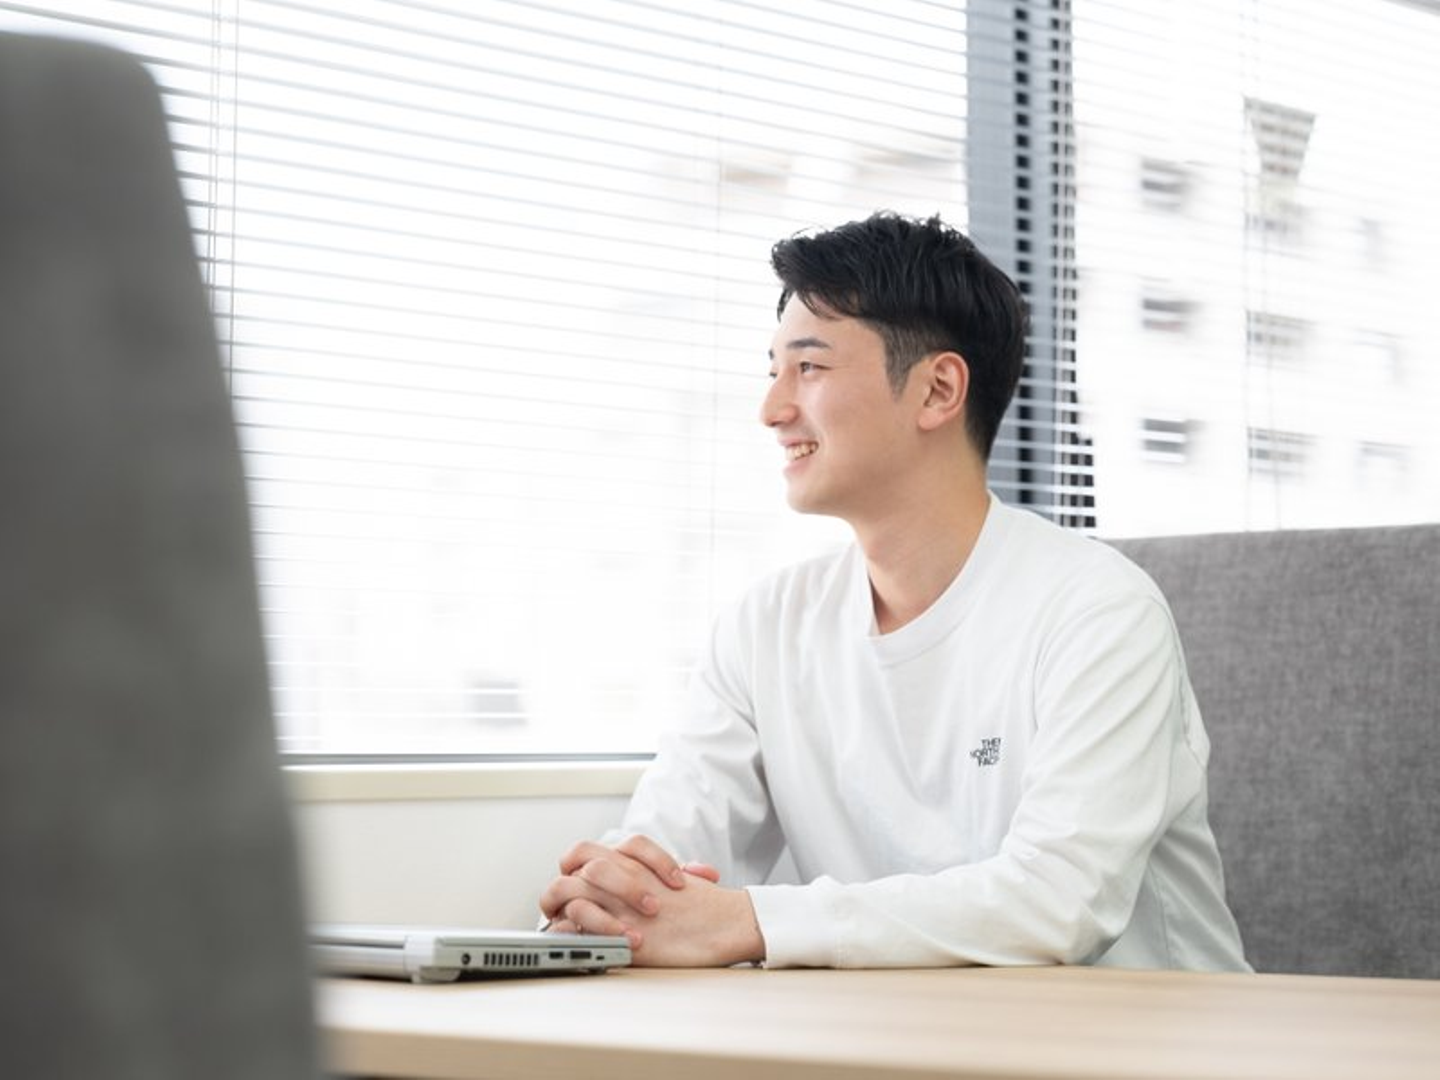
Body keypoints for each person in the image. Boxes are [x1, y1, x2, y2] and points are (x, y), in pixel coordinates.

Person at [539, 211, 1249, 971]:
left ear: (938, 390)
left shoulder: (1099, 611)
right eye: (773, 371)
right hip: (901, 1027)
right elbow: (663, 856)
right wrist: (608, 901)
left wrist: (748, 921)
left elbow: (1057, 902)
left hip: (1139, 1029)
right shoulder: (765, 625)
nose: (772, 410)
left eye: (809, 369)